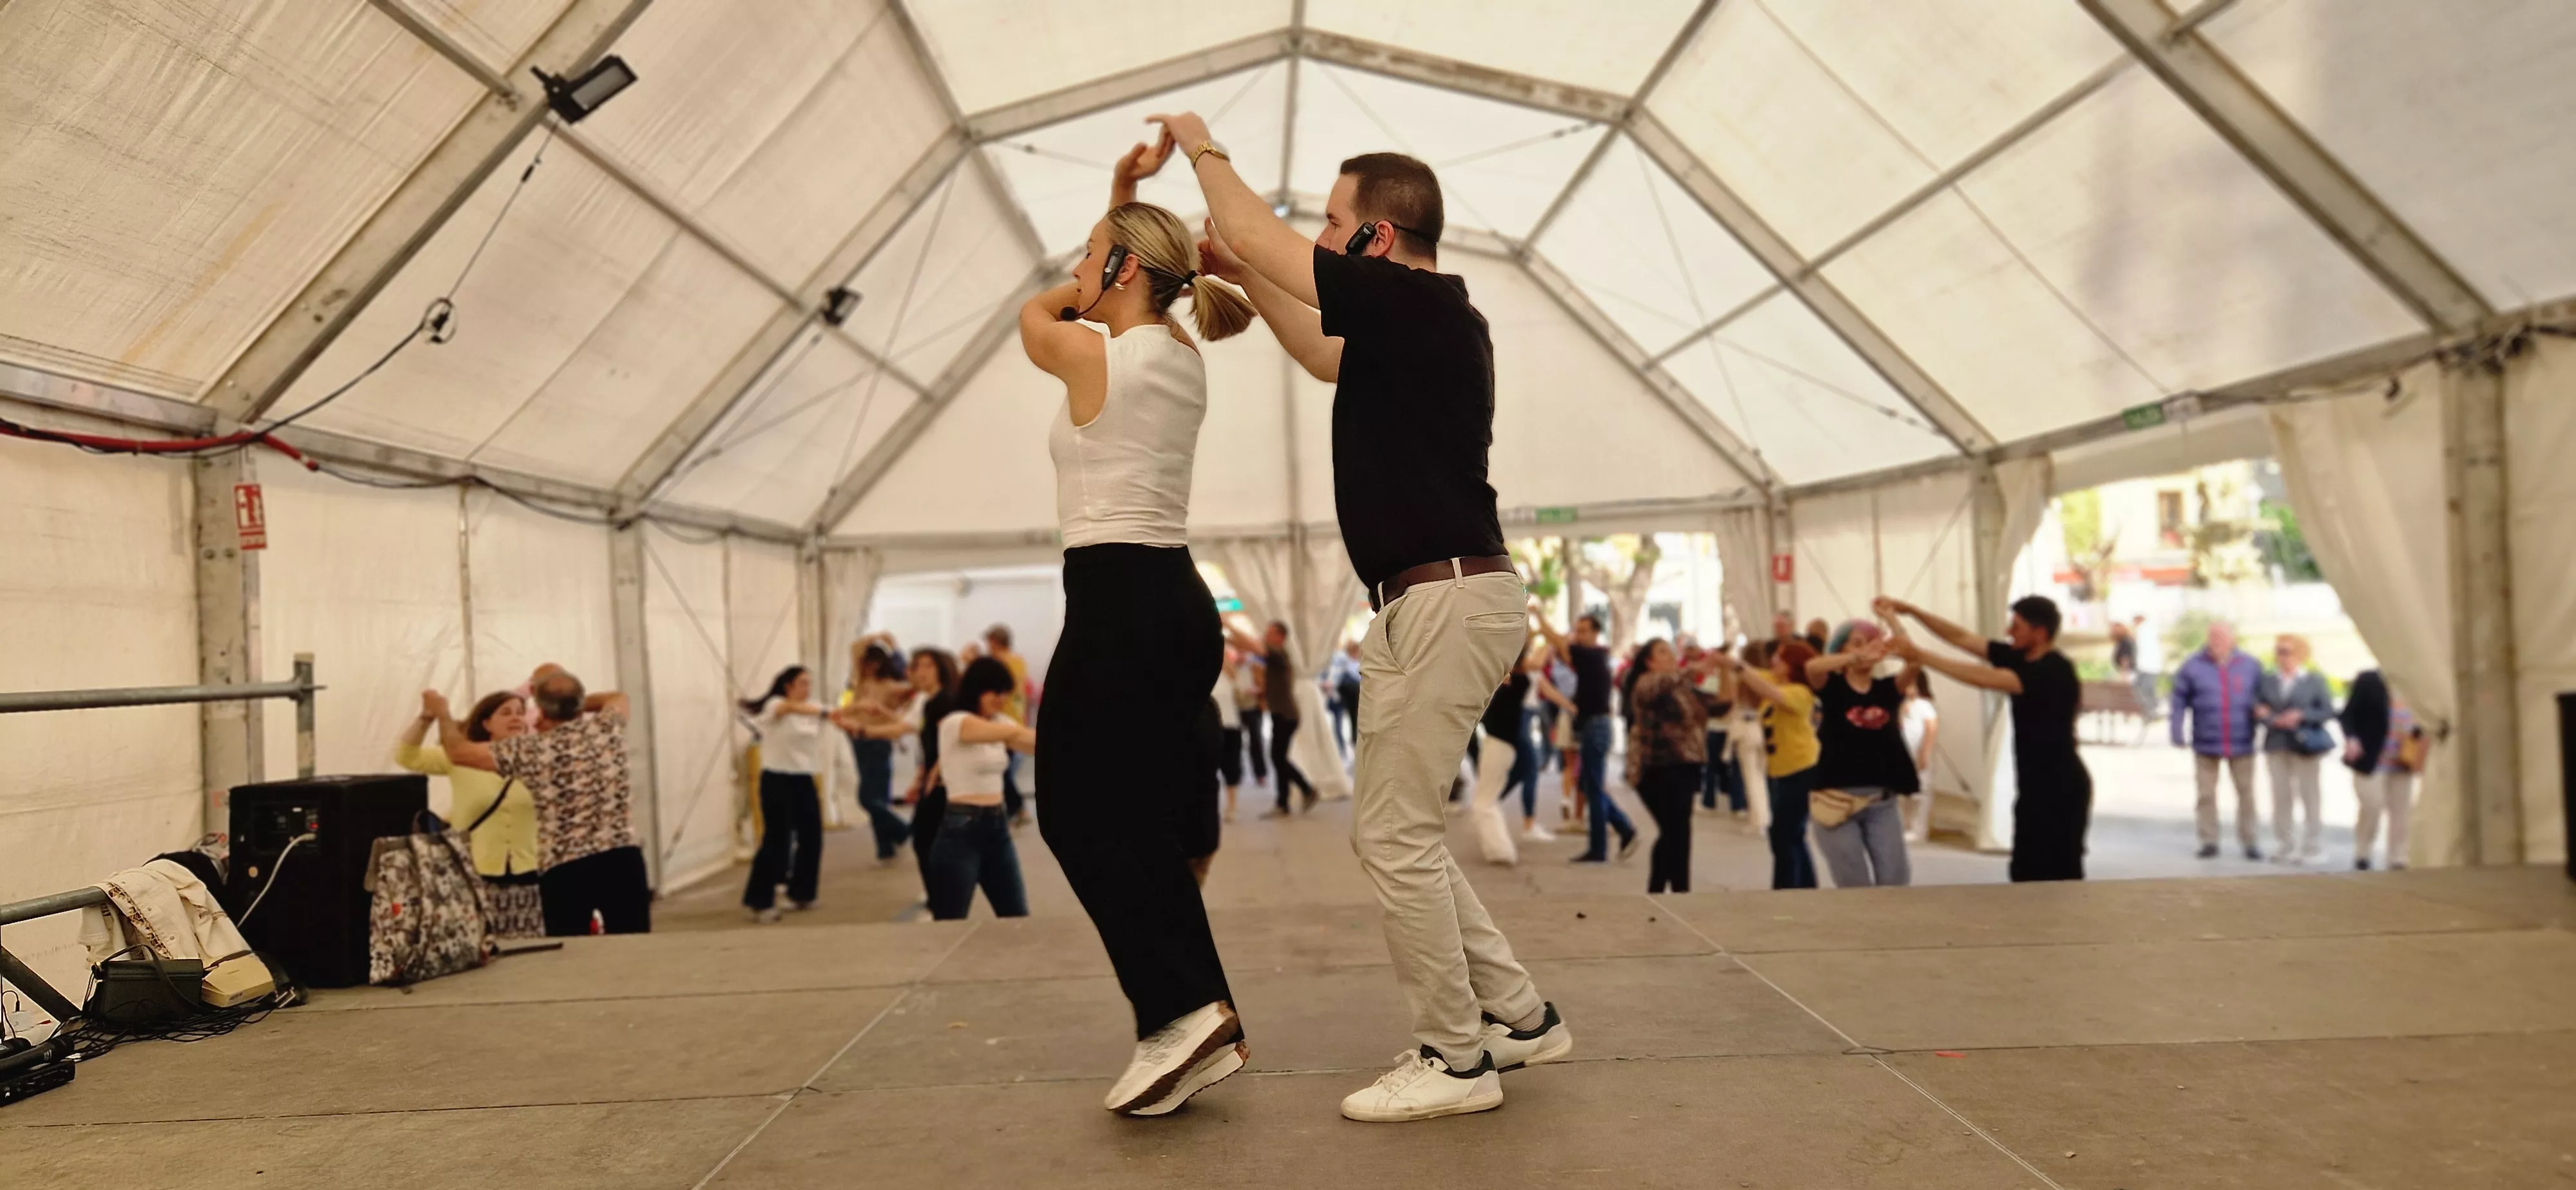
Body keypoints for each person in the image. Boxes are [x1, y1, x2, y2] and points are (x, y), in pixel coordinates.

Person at [1171, 113, 1569, 1122]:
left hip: (1441, 596)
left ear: (1375, 241)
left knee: (1393, 839)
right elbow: (1313, 349)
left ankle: (1456, 1057)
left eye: (1334, 222)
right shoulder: (1413, 323)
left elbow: (1268, 242)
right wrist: (1242, 266)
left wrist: (1201, 144)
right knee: (1404, 835)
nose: (1320, 234)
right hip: (1433, 597)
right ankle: (1517, 1019)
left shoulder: (1423, 308)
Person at [1017, 136, 1257, 1119]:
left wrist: (1070, 291)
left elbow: (1036, 315)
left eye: (1089, 260)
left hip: (1117, 603)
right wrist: (1122, 196)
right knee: (1139, 822)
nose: (1072, 274)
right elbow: (1108, 274)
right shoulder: (1180, 350)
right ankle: (1192, 1016)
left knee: (1076, 812)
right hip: (1176, 604)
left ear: (1120, 274)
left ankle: (1180, 1009)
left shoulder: (1083, 344)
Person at [1880, 595, 2090, 882]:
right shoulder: (2020, 657)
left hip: (2062, 788)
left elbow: (1983, 678)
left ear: (2039, 633)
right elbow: (1962, 637)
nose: (2009, 632)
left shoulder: (2054, 671)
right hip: (2033, 786)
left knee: (2059, 872)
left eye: (2017, 626)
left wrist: (1921, 656)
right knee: (2025, 871)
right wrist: (1913, 611)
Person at [430, 664, 650, 935]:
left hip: (565, 868)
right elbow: (617, 697)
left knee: (570, 957)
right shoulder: (606, 729)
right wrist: (574, 705)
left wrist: (441, 713)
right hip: (622, 859)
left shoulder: (529, 750)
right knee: (633, 948)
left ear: (541, 711)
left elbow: (458, 752)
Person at [1802, 622, 1917, 888]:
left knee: (1895, 880)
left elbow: (1914, 660)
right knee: (1854, 884)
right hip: (1836, 801)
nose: (1865, 649)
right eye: (1857, 642)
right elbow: (1813, 668)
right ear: (1841, 649)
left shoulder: (1888, 689)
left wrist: (1892, 620)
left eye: (1871, 643)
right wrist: (1855, 657)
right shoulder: (1832, 688)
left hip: (1881, 802)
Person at [929, 657, 1036, 922]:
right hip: (962, 830)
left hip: (998, 828)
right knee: (950, 922)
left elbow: (1031, 743)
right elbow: (1012, 735)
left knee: (1017, 917)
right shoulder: (956, 722)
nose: (1001, 700)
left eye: (1005, 694)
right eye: (995, 692)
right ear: (978, 688)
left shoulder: (1000, 722)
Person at [396, 689, 537, 882]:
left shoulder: (539, 761)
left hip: (530, 871)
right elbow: (406, 756)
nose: (515, 718)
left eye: (520, 713)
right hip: (472, 872)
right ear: (487, 724)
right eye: (506, 713)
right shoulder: (462, 758)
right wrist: (426, 719)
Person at [1536, 610, 1638, 863]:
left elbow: (1560, 643)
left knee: (1592, 786)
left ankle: (1614, 837)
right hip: (1593, 727)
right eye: (1577, 630)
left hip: (1596, 728)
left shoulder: (1591, 655)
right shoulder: (1595, 656)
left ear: (1595, 633)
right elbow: (1563, 647)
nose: (1578, 635)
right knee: (1590, 785)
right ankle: (1611, 838)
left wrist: (1539, 617)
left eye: (1583, 631)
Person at [1625, 639, 1727, 894]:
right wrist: (1695, 667)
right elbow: (1660, 685)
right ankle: (1675, 891)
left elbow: (1717, 706)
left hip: (1685, 765)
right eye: (1662, 652)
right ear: (1649, 662)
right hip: (1657, 768)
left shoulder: (1682, 686)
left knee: (1677, 832)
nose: (1669, 655)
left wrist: (1727, 670)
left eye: (1670, 651)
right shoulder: (1646, 683)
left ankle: (1663, 890)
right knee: (1674, 831)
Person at [1719, 639, 1821, 889]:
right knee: (1793, 834)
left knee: (1782, 834)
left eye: (1781, 657)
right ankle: (1807, 887)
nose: (1774, 660)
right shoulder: (1777, 680)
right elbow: (1754, 676)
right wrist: (1725, 662)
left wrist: (1740, 667)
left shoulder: (1801, 692)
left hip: (1801, 768)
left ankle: (1784, 890)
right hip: (1781, 770)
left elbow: (1770, 692)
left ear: (1793, 665)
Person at [741, 665, 834, 922]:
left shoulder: (813, 709)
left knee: (812, 836)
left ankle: (802, 893)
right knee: (777, 840)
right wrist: (826, 711)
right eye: (803, 683)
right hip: (777, 780)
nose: (808, 688)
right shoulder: (776, 705)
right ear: (788, 685)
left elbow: (839, 717)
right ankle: (760, 900)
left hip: (804, 779)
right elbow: (789, 709)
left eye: (810, 683)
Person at [2171, 620, 2265, 860]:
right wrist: (2176, 730)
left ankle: (2250, 840)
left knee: (2246, 794)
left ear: (2232, 639)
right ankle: (2209, 840)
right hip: (2206, 742)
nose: (2217, 642)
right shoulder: (2193, 666)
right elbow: (2179, 701)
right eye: (2213, 637)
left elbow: (2265, 698)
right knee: (2206, 795)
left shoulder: (2251, 666)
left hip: (2242, 741)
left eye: (2222, 637)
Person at [2258, 634, 2338, 865]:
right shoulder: (2268, 680)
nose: (2281, 656)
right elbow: (2258, 707)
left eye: (2286, 651)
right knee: (2281, 796)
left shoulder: (2314, 680)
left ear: (2301, 654)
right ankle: (2284, 844)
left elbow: (2328, 711)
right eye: (2279, 651)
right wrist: (2272, 719)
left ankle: (2312, 846)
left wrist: (2302, 715)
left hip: (2306, 746)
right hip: (2277, 743)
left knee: (2310, 796)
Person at [1231, 619, 1317, 815]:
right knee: (1279, 758)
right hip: (1283, 715)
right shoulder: (1277, 658)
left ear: (1280, 637)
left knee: (1278, 758)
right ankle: (1285, 803)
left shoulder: (1278, 654)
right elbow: (1249, 648)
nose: (1266, 636)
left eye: (1270, 633)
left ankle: (1305, 790)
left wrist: (1230, 626)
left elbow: (1254, 647)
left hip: (1285, 715)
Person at [841, 634, 912, 862]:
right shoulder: (861, 682)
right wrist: (879, 636)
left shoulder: (892, 686)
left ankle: (902, 830)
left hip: (879, 741)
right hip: (858, 739)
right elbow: (854, 646)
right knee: (876, 796)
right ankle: (885, 845)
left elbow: (914, 690)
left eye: (873, 663)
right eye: (866, 663)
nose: (868, 667)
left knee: (869, 798)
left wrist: (896, 648)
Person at [983, 624, 1032, 826]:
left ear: (995, 642)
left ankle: (1017, 809)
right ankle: (1015, 809)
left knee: (1000, 770)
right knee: (1002, 770)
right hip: (1017, 719)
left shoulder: (999, 663)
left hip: (1002, 720)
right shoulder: (1019, 662)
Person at [1899, 669, 1940, 842]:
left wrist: (1924, 753)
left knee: (1921, 793)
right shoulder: (1904, 704)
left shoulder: (1924, 705)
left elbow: (1931, 728)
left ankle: (1919, 829)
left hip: (1919, 754)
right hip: (1904, 754)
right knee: (1903, 794)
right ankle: (1906, 825)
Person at [1212, 651, 1245, 822]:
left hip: (1230, 725)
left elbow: (1238, 681)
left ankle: (1232, 806)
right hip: (1210, 726)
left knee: (1231, 766)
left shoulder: (1228, 674)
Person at [1325, 639, 1362, 760]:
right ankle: (1344, 749)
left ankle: (1346, 749)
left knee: (1347, 722)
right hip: (1344, 697)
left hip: (1347, 697)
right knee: (1344, 722)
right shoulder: (1344, 660)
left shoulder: (1347, 661)